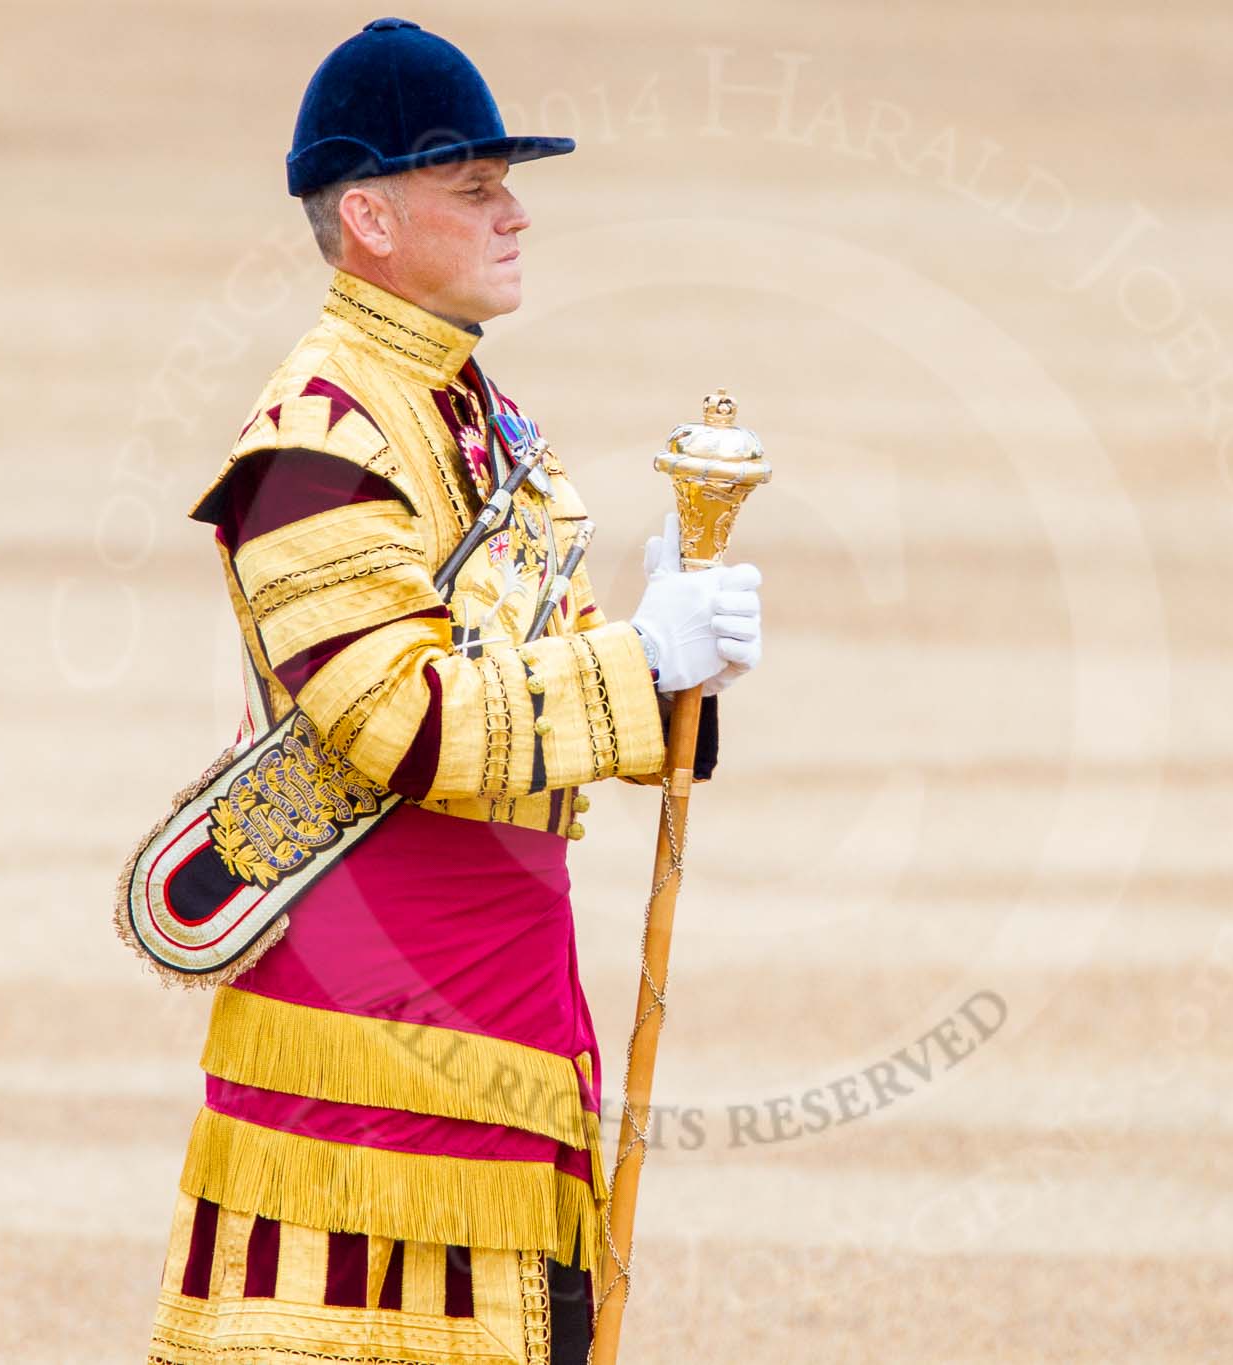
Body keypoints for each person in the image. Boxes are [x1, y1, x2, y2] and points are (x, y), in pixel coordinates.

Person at [137, 19, 763, 1365]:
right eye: (474, 186)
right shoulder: (318, 439)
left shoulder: (477, 418)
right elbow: (403, 720)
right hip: (360, 1046)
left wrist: (683, 669)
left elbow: (539, 684)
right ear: (368, 215)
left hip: (511, 1014)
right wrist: (641, 660)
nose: (515, 211)